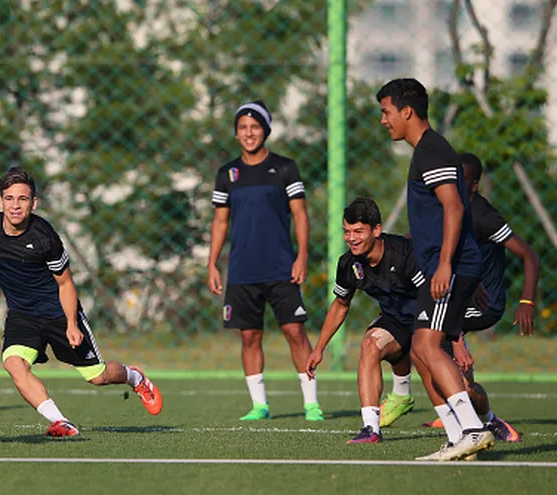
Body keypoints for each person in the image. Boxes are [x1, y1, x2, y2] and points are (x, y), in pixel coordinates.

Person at [0, 167, 162, 437]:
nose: (15, 205)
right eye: (9, 198)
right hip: (22, 314)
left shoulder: (44, 237)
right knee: (13, 363)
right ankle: (62, 422)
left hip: (58, 314)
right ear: (0, 201)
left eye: (22, 199)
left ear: (33, 203)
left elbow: (66, 283)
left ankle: (135, 377)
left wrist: (72, 324)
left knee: (98, 376)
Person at [376, 78, 495, 461]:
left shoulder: (432, 150)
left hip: (450, 266)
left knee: (426, 345)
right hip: (445, 265)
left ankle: (473, 430)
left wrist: (445, 264)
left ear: (407, 111)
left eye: (386, 112)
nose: (384, 120)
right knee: (422, 347)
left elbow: (455, 207)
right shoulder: (427, 151)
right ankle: (461, 437)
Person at [207, 100, 323, 422]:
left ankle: (311, 404)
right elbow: (220, 221)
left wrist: (301, 256)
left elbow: (300, 215)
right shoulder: (227, 173)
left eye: (255, 127)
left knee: (295, 332)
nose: (249, 133)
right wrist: (212, 263)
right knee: (249, 336)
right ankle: (259, 405)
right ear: (236, 133)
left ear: (266, 131)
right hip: (242, 270)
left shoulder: (285, 168)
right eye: (243, 127)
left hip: (281, 267)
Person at [419, 152, 539, 442]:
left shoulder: (483, 216)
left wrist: (526, 302)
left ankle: (489, 420)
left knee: (430, 335)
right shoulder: (444, 208)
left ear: (474, 185)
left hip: (485, 305)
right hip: (457, 301)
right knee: (422, 343)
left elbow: (530, 256)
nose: (454, 184)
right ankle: (459, 404)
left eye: (462, 180)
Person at [306, 198, 423, 443]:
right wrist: (319, 349)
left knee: (461, 388)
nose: (351, 238)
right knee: (370, 344)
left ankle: (486, 420)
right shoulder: (348, 264)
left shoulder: (404, 252)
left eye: (358, 231)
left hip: (429, 318)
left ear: (376, 230)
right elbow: (340, 305)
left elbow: (434, 296)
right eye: (346, 232)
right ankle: (371, 428)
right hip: (397, 320)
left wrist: (453, 339)